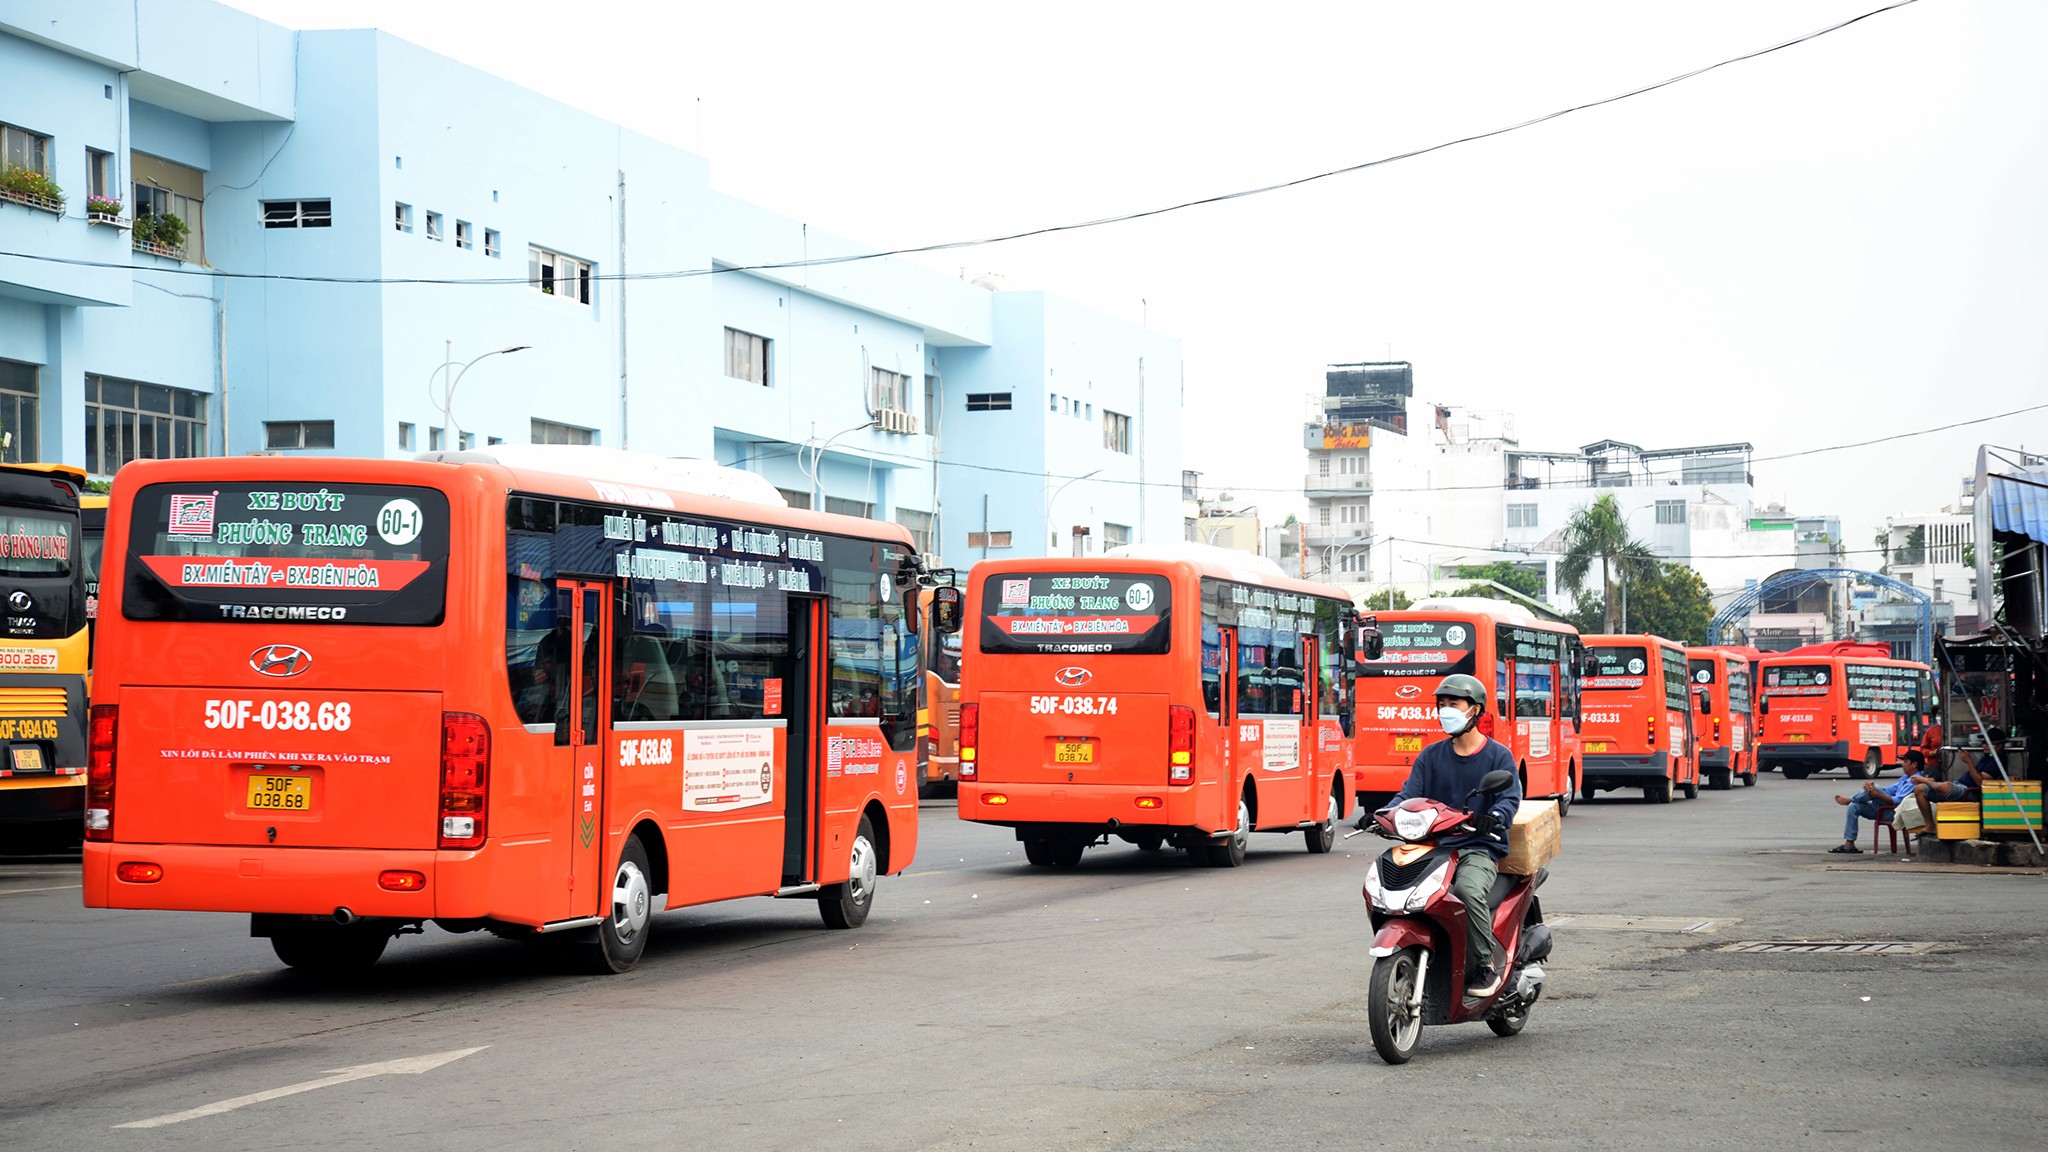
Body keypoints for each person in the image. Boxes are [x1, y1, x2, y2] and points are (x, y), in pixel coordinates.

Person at [1379, 672, 1521, 998]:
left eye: (1453, 704)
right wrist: (1384, 814)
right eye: (1441, 704)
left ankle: (1485, 965)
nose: (1445, 710)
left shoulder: (1498, 756)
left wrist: (1495, 817)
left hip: (1478, 847)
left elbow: (1509, 798)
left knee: (1467, 891)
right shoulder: (1431, 756)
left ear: (1475, 710)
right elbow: (1408, 795)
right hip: (1435, 847)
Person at [1830, 763, 1920, 853]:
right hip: (1884, 809)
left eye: (1906, 762)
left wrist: (1876, 793)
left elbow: (1897, 801)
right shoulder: (1904, 778)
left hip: (1896, 812)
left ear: (1914, 764)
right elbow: (1889, 789)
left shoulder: (1915, 781)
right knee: (1854, 807)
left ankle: (1851, 799)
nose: (1903, 764)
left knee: (1876, 788)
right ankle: (1849, 843)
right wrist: (1870, 788)